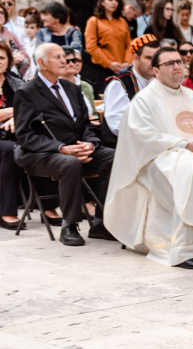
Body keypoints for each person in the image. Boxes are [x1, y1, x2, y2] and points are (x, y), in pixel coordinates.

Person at [104, 46, 193, 269]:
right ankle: (186, 248)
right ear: (155, 71)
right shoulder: (143, 100)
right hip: (160, 156)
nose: (177, 66)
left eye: (179, 62)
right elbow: (142, 136)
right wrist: (186, 145)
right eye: (169, 63)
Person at [14, 43, 115, 246]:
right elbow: (25, 136)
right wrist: (60, 148)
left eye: (65, 57)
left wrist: (90, 144)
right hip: (40, 153)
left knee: (114, 157)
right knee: (70, 163)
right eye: (58, 57)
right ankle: (69, 225)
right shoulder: (27, 92)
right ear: (41, 63)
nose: (64, 61)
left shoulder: (72, 88)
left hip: (75, 149)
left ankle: (102, 223)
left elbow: (86, 125)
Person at [101, 36, 160, 149]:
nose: (153, 63)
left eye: (157, 59)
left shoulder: (160, 81)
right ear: (136, 58)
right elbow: (117, 125)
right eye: (148, 58)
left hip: (156, 142)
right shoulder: (119, 83)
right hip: (124, 147)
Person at [0, 41, 26, 230]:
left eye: (1, 57)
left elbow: (30, 109)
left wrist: (17, 119)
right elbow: (19, 109)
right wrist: (12, 111)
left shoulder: (17, 82)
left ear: (8, 60)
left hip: (15, 132)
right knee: (11, 150)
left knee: (39, 143)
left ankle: (47, 206)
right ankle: (7, 211)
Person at [85, 0, 133, 87]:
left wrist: (127, 62)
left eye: (116, 0)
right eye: (110, 0)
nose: (114, 3)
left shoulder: (122, 22)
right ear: (102, 2)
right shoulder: (94, 21)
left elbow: (129, 44)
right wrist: (109, 64)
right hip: (102, 69)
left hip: (122, 68)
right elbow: (91, 47)